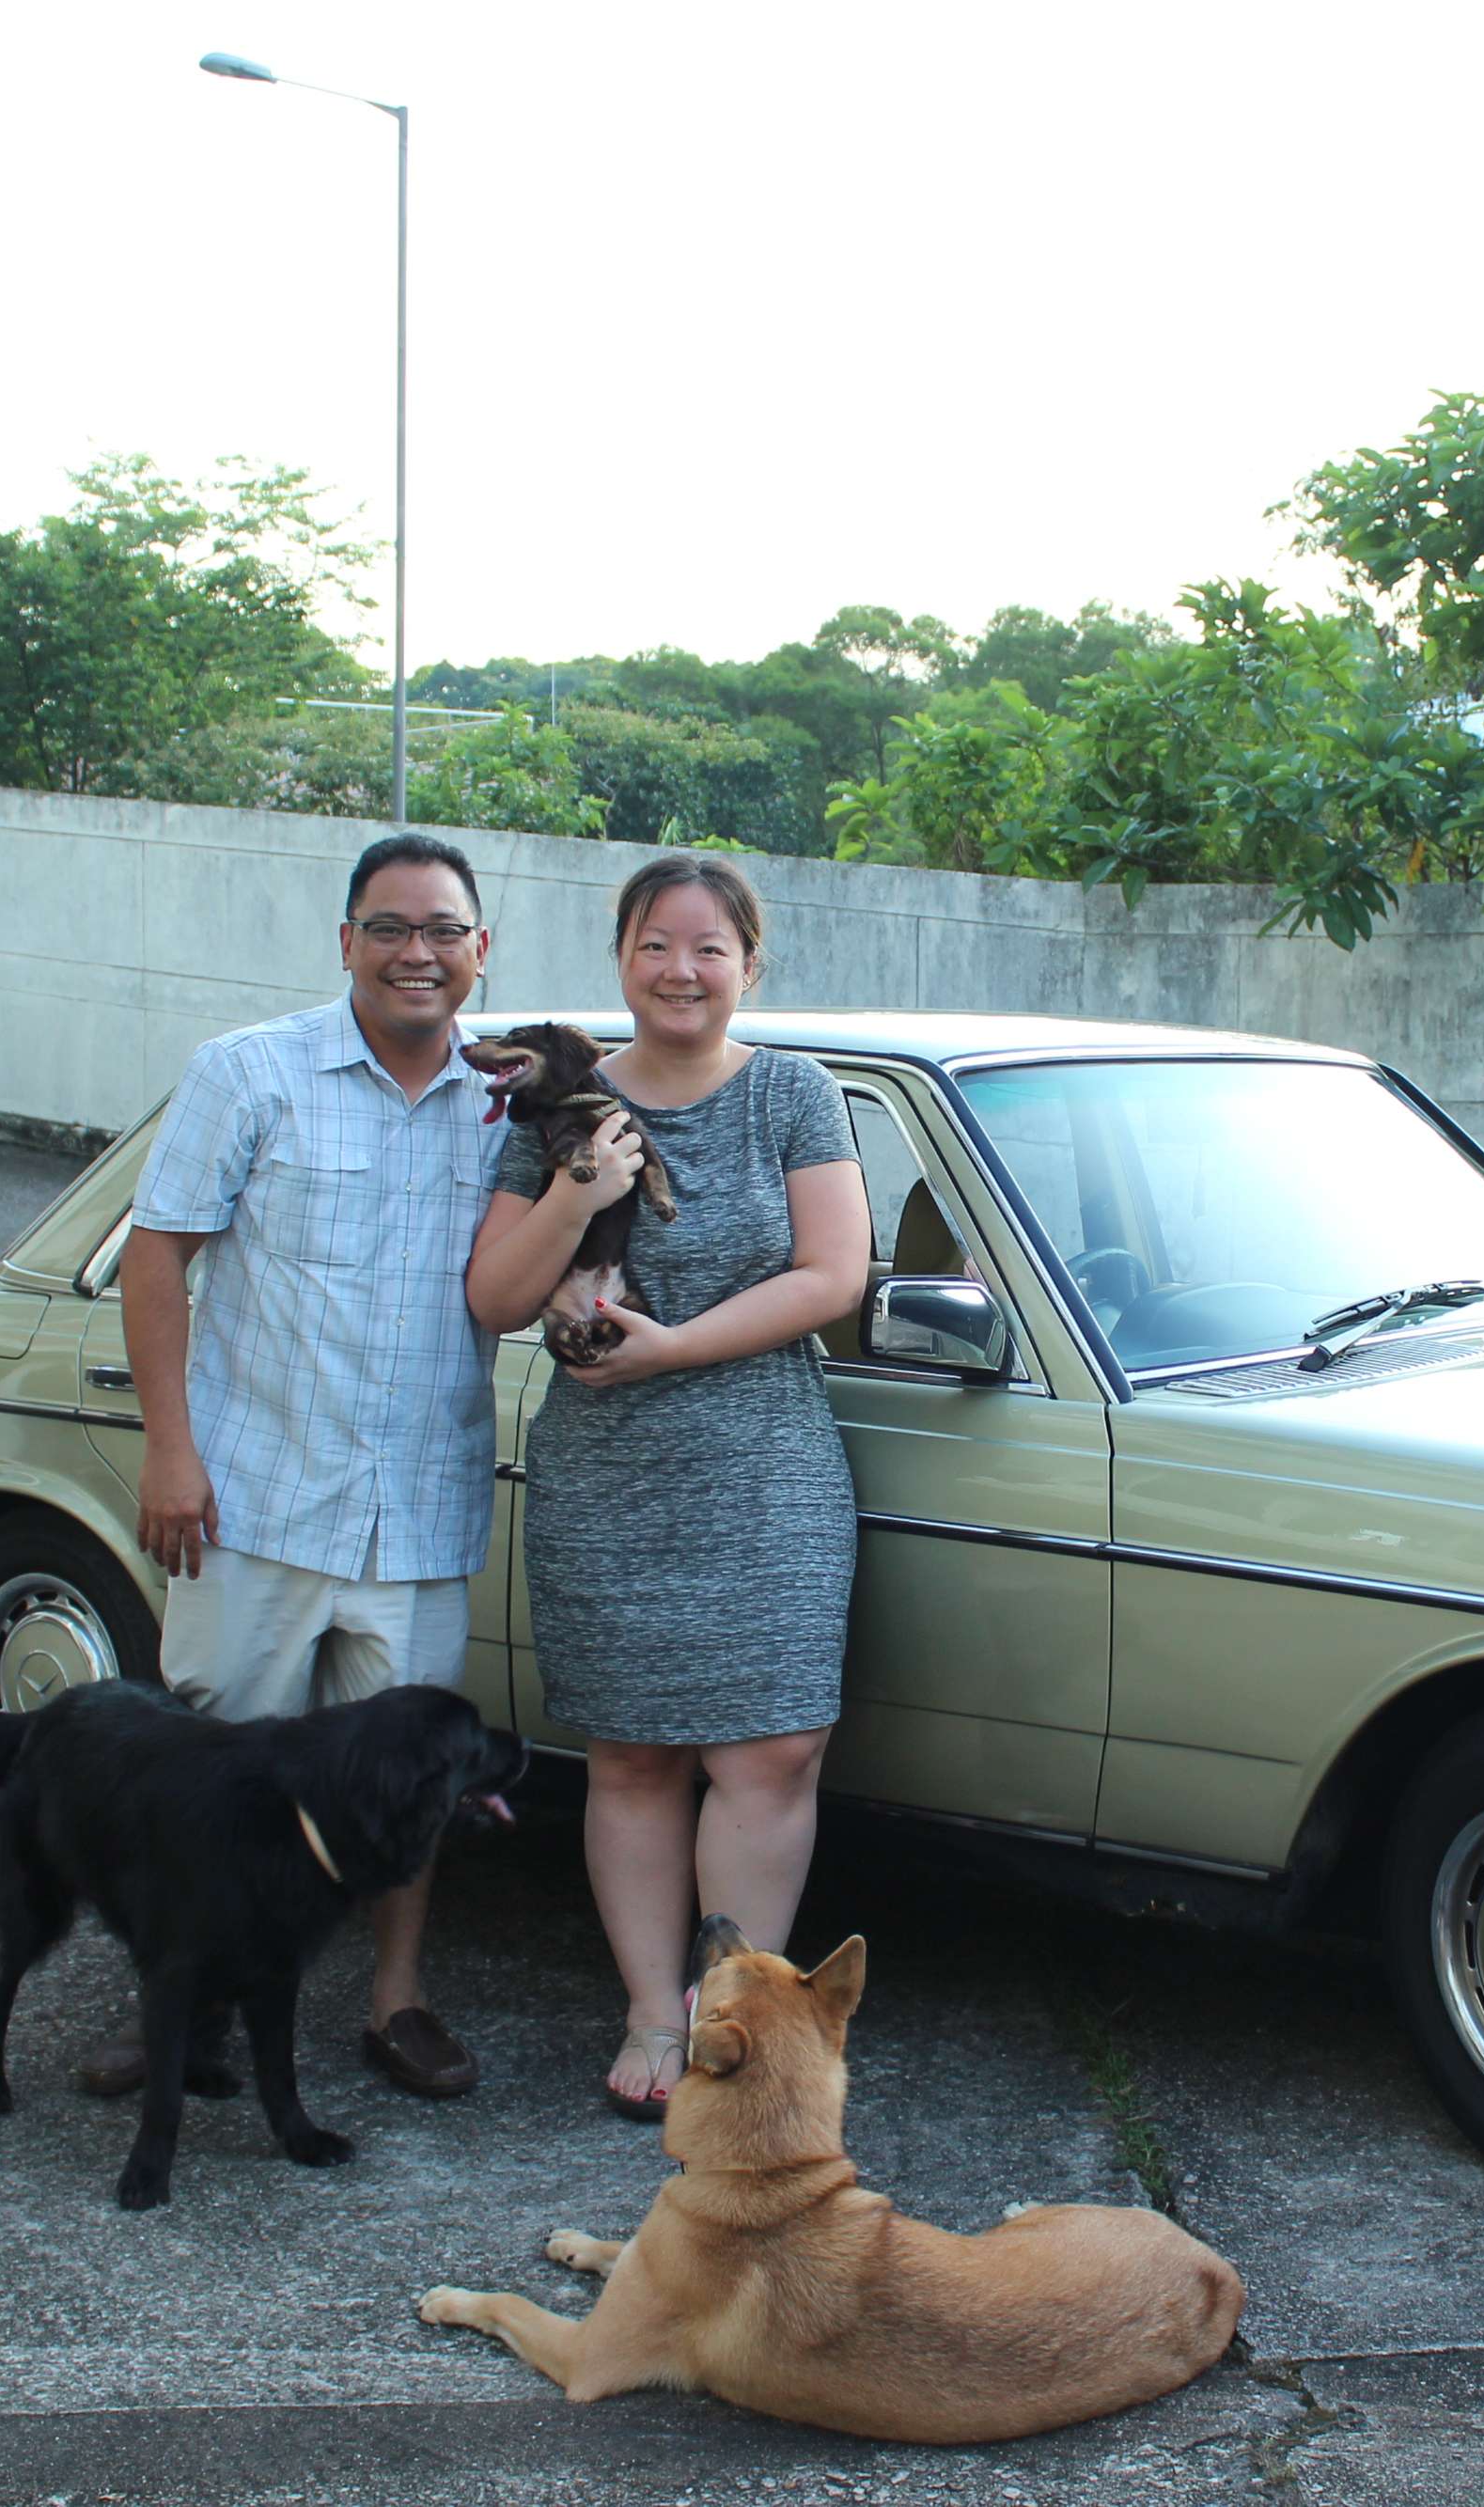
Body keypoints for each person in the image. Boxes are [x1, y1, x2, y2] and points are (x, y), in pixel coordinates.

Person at [99, 831, 504, 2103]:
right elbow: (157, 1255)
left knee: (414, 1786)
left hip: (421, 1507)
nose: (416, 953)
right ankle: (183, 2007)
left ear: (479, 953)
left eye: (443, 930)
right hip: (255, 1494)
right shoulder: (249, 1073)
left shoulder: (510, 1103)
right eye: (389, 927)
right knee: (215, 1764)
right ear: (345, 944)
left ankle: (397, 2004)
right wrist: (172, 1449)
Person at [463, 855, 870, 2120]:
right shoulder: (554, 1106)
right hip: (606, 1468)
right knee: (631, 1756)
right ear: (621, 959)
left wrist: (672, 1347)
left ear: (749, 965)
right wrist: (582, 1188)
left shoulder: (792, 1094)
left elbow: (833, 1273)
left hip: (765, 1459)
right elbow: (494, 1297)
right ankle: (651, 2009)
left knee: (776, 1750)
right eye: (655, 945)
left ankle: (728, 2014)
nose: (681, 971)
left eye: (708, 948)